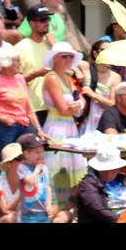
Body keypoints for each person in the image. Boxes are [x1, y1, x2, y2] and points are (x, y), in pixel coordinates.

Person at [40, 41, 87, 202]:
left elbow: (80, 99)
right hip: (56, 127)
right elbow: (63, 109)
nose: (68, 59)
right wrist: (77, 106)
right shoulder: (51, 77)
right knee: (59, 171)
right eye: (64, 56)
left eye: (71, 56)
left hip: (70, 128)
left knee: (73, 172)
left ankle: (68, 211)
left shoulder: (67, 78)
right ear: (55, 58)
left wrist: (79, 104)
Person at [0, 44, 45, 157]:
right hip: (4, 129)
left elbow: (28, 108)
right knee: (5, 164)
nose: (20, 63)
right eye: (17, 61)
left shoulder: (20, 78)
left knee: (23, 164)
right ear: (6, 62)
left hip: (24, 127)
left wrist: (38, 129)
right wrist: (0, 118)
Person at [0, 133, 69, 223]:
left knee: (64, 215)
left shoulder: (42, 171)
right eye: (19, 158)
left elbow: (54, 204)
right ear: (8, 164)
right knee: (9, 219)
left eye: (41, 152)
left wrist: (50, 211)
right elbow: (4, 213)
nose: (23, 161)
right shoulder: (0, 182)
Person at [76, 143, 126, 223]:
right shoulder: (88, 184)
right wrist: (122, 221)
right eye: (107, 169)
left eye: (115, 168)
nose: (112, 171)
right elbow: (97, 209)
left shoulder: (123, 179)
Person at [18, 5, 55, 124]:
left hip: (54, 107)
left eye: (48, 19)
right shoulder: (20, 48)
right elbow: (14, 82)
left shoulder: (51, 44)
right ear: (32, 24)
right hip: (32, 109)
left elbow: (69, 70)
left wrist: (54, 46)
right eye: (42, 20)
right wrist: (35, 74)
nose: (47, 23)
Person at [81, 39, 122, 135]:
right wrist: (77, 71)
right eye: (104, 51)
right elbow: (64, 63)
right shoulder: (85, 67)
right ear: (95, 54)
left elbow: (113, 104)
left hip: (103, 121)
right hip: (84, 119)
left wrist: (93, 95)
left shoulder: (115, 77)